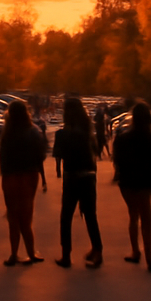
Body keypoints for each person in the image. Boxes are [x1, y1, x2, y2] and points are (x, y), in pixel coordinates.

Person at [111, 100, 151, 271]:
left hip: (127, 181)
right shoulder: (150, 138)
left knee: (133, 216)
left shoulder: (123, 137)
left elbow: (117, 159)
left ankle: (135, 252)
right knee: (146, 219)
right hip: (144, 180)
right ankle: (149, 257)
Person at [52, 97, 102, 268]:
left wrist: (58, 170)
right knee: (90, 215)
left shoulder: (64, 133)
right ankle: (97, 250)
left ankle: (66, 254)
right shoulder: (87, 131)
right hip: (88, 176)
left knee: (66, 217)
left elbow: (59, 154)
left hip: (72, 176)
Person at [0, 99, 48, 266]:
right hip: (29, 175)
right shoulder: (33, 131)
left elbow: (2, 156)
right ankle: (31, 252)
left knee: (13, 216)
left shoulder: (6, 133)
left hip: (10, 176)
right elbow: (41, 154)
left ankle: (13, 254)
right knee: (27, 216)